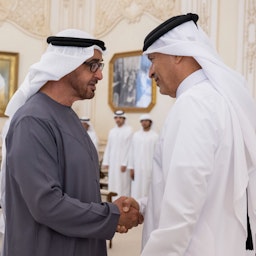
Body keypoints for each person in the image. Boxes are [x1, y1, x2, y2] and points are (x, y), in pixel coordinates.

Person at [0, 29, 143, 256]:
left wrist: (111, 211)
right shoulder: (33, 120)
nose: (100, 76)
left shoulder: (66, 116)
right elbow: (46, 204)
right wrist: (111, 215)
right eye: (92, 65)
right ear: (65, 65)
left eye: (100, 66)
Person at [139, 13, 256, 256]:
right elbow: (205, 185)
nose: (150, 72)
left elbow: (183, 205)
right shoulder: (217, 99)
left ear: (178, 53)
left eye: (153, 59)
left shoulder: (195, 103)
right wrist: (144, 206)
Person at [102, 110, 133, 198]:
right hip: (113, 163)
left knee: (123, 184)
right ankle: (113, 202)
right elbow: (109, 146)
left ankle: (123, 203)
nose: (118, 120)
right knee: (113, 182)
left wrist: (124, 163)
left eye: (120, 118)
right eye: (116, 118)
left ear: (124, 119)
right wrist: (106, 162)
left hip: (123, 164)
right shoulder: (112, 131)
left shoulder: (129, 130)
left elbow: (129, 149)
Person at [128, 114, 158, 200]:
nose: (144, 123)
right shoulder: (136, 135)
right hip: (137, 168)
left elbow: (157, 155)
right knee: (136, 188)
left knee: (147, 189)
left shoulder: (155, 136)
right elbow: (131, 152)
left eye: (146, 121)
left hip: (149, 168)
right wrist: (131, 168)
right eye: (142, 121)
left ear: (150, 122)